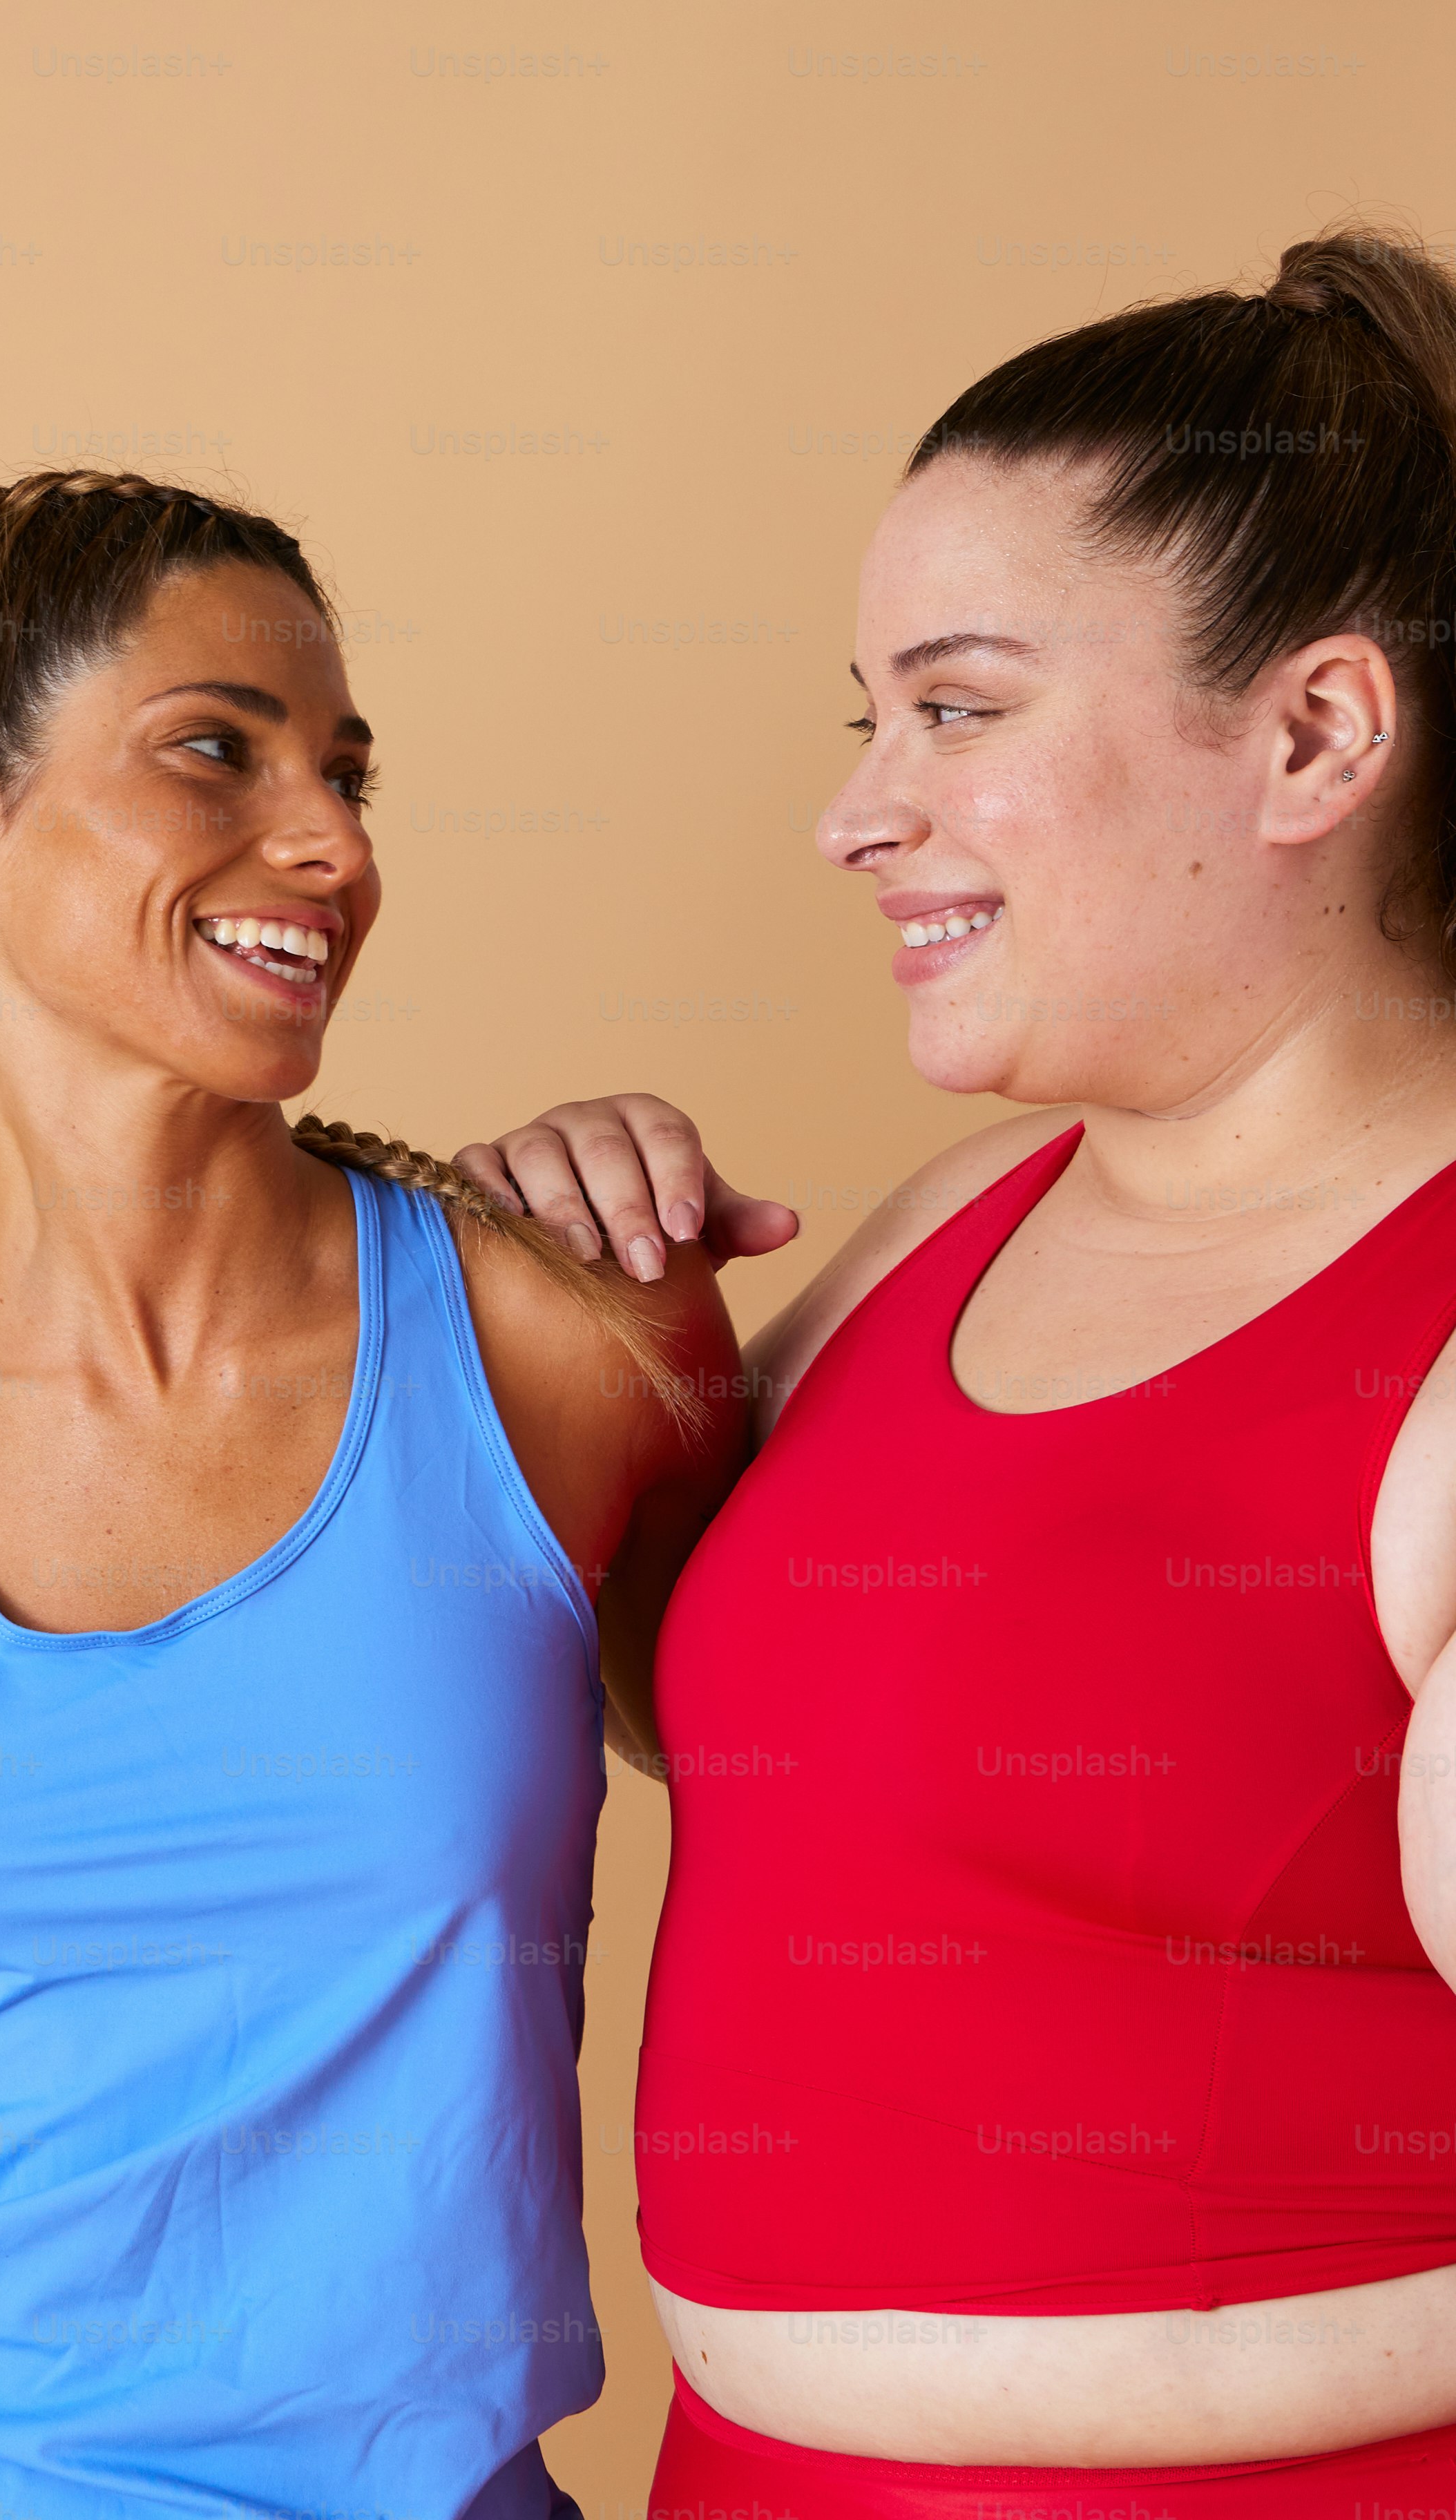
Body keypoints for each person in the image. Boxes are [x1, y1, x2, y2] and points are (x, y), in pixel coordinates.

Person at [0, 470, 748, 2520]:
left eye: (345, 771)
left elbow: (862, 1820)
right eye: (215, 751)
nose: (330, 845)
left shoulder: (562, 1346)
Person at [471, 225, 1456, 2508]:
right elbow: (707, 1697)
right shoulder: (952, 1226)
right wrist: (566, 1309)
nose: (858, 810)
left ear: (1316, 732)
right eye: (868, 717)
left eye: (962, 707)